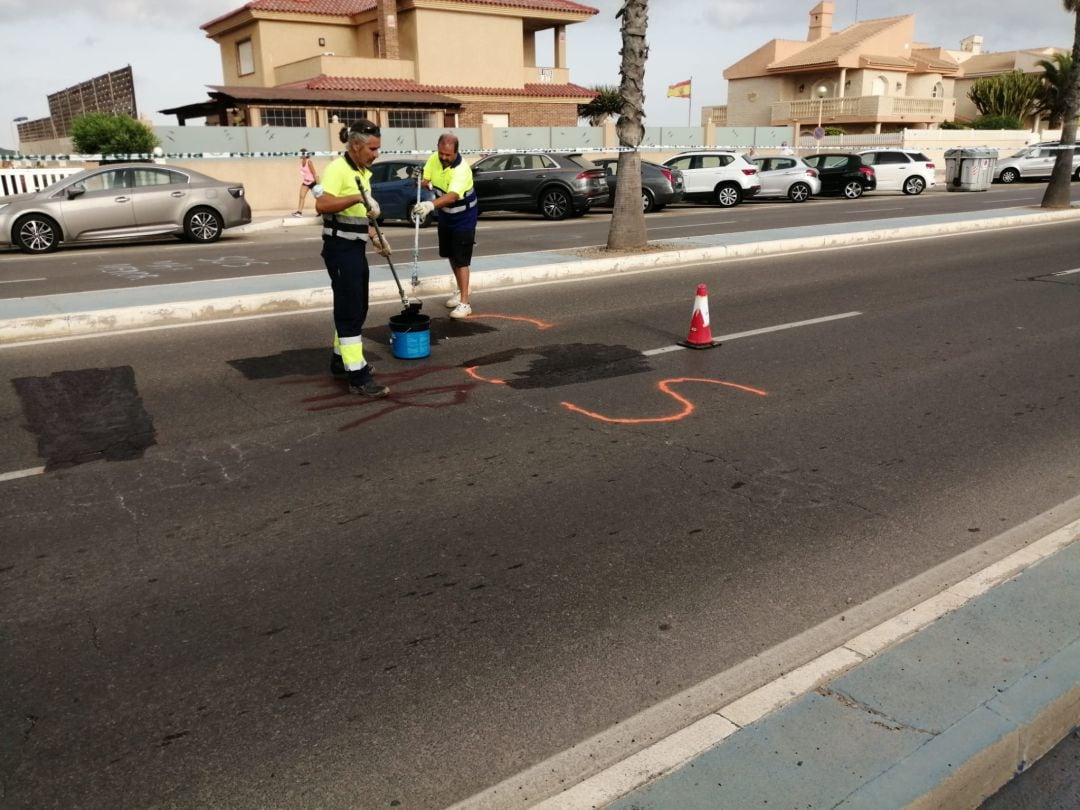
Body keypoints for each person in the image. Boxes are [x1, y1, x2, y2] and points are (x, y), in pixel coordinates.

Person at [314, 120, 390, 398]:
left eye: (378, 148)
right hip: (339, 248)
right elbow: (322, 204)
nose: (376, 154)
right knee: (351, 311)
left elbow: (357, 214)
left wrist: (373, 233)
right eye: (373, 148)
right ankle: (357, 376)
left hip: (355, 246)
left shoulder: (361, 170)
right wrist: (357, 199)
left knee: (358, 306)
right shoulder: (338, 169)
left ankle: (339, 360)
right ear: (356, 145)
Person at [411, 133, 478, 319]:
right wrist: (420, 181)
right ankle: (460, 290)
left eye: (448, 155)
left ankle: (465, 303)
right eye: (441, 153)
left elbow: (452, 196)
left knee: (461, 258)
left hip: (464, 216)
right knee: (450, 254)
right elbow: (426, 180)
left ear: (456, 152)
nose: (443, 158)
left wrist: (429, 205)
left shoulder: (462, 170)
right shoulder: (434, 159)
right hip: (446, 215)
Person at [294, 150, 318, 217]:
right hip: (306, 182)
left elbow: (314, 173)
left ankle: (320, 212)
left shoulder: (309, 162)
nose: (299, 155)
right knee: (301, 196)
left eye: (300, 153)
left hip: (313, 182)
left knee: (317, 197)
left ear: (304, 154)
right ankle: (299, 212)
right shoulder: (302, 162)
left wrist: (317, 183)